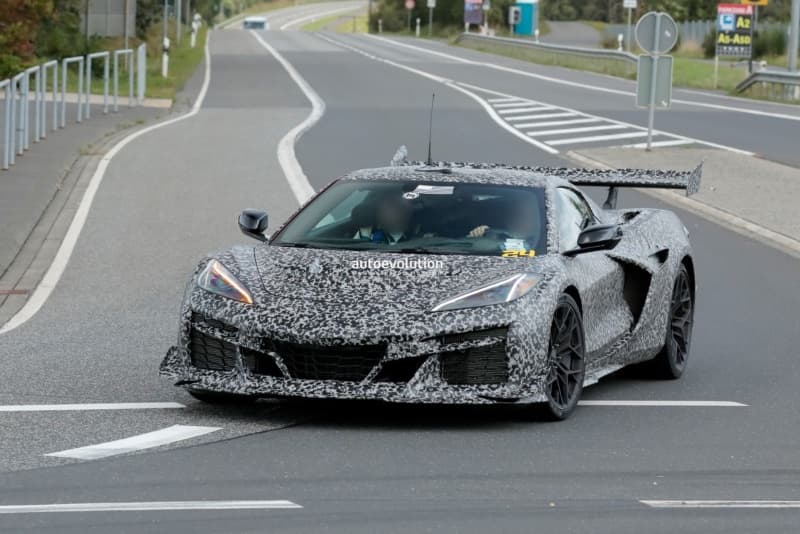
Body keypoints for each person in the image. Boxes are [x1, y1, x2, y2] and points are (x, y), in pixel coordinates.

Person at [466, 198, 540, 251]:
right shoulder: (492, 233)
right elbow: (467, 247)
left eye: (525, 216)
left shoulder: (536, 245)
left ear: (536, 222)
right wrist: (475, 237)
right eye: (514, 215)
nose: (518, 220)